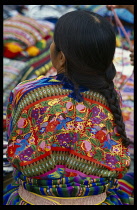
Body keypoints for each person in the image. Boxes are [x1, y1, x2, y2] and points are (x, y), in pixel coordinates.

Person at [3, 10, 133, 205]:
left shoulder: (27, 92)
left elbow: (14, 145)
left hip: (32, 200)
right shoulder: (110, 96)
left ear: (61, 57)